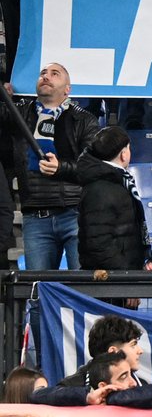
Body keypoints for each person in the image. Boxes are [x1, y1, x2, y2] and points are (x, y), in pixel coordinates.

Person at [11, 63, 98, 271]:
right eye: (42, 73)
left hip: (74, 214)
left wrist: (62, 168)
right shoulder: (18, 113)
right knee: (38, 290)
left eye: (54, 74)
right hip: (35, 216)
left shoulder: (84, 120)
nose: (46, 77)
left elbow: (93, 168)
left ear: (67, 89)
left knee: (82, 290)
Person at [46, 127, 145, 272]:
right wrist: (123, 277)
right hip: (110, 282)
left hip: (120, 276)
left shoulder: (116, 181)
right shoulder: (102, 188)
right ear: (123, 154)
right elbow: (99, 242)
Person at [32, 315, 152, 409]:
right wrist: (87, 397)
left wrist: (110, 398)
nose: (140, 351)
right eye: (133, 345)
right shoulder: (75, 384)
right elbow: (38, 395)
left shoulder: (138, 383)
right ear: (113, 351)